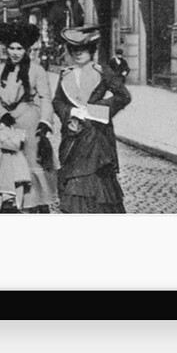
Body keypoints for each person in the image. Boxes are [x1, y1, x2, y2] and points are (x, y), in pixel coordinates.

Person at [0, 21, 57, 214]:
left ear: (26, 49)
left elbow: (45, 98)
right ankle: (9, 204)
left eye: (19, 48)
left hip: (30, 126)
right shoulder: (0, 70)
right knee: (7, 164)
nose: (15, 52)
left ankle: (32, 206)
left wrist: (45, 122)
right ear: (6, 48)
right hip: (9, 127)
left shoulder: (37, 70)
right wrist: (2, 115)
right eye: (11, 48)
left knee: (31, 165)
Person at [51, 26, 131, 214]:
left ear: (91, 50)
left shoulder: (103, 72)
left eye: (83, 49)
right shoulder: (66, 74)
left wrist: (93, 110)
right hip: (73, 137)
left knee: (98, 187)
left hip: (97, 137)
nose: (78, 54)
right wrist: (70, 112)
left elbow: (123, 96)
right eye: (73, 50)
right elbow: (57, 101)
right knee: (73, 183)